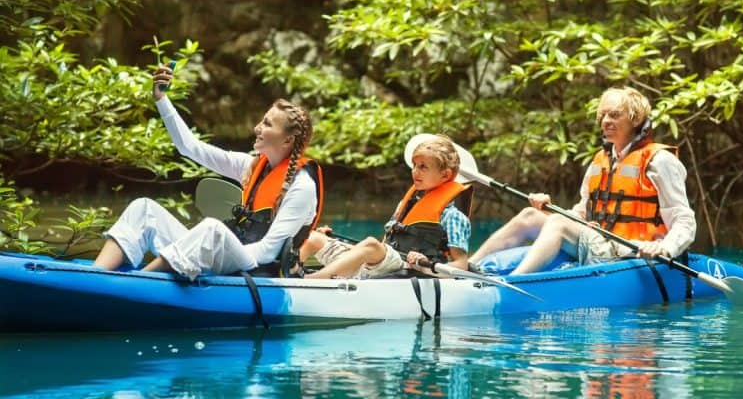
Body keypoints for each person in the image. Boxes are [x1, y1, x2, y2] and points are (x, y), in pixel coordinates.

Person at [91, 62, 322, 280]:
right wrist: (161, 99)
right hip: (230, 255)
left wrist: (218, 247)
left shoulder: (302, 186)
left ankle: (138, 286)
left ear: (287, 140)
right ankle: (93, 278)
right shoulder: (251, 166)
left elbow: (268, 252)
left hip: (258, 270)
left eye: (267, 124)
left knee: (212, 230)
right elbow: (190, 147)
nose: (256, 128)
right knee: (143, 208)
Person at [469, 86, 696, 274]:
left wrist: (665, 248)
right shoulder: (600, 161)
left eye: (614, 115)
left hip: (631, 249)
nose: (605, 121)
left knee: (558, 224)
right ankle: (468, 266)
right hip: (600, 241)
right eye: (603, 116)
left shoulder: (660, 161)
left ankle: (513, 282)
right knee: (531, 216)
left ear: (635, 120)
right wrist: (549, 211)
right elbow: (581, 215)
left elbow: (684, 219)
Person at [301, 134, 472, 279]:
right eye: (414, 166)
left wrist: (426, 266)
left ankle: (312, 280)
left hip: (409, 270)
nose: (415, 171)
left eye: (423, 167)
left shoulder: (453, 217)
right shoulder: (406, 205)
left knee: (371, 244)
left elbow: (461, 264)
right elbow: (385, 246)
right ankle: (286, 275)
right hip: (383, 264)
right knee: (315, 237)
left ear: (445, 175)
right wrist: (339, 242)